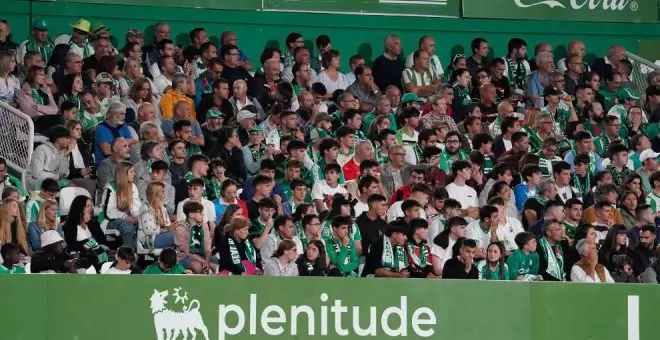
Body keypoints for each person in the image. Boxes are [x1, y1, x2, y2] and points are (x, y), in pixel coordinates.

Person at [98, 161, 140, 249]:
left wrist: (137, 217)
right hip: (108, 220)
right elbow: (108, 213)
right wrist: (125, 217)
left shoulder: (133, 187)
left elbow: (136, 207)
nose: (134, 174)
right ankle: (126, 256)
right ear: (124, 174)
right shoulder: (110, 188)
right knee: (128, 227)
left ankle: (139, 255)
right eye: (131, 172)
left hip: (125, 219)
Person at [62, 195, 110, 271]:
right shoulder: (69, 226)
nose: (91, 208)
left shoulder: (93, 223)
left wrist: (90, 222)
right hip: (81, 257)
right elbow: (71, 246)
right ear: (80, 208)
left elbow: (102, 241)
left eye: (91, 206)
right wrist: (88, 242)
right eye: (88, 206)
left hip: (97, 254)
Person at [26, 125, 70, 192]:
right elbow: (37, 174)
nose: (69, 140)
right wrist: (57, 176)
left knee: (72, 184)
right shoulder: (41, 149)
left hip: (52, 182)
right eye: (67, 138)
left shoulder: (63, 152)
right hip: (35, 182)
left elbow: (64, 174)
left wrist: (65, 157)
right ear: (60, 140)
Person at [175, 201, 213, 274]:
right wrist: (205, 262)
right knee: (197, 266)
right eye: (200, 212)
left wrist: (207, 261)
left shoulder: (204, 225)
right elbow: (188, 252)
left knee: (218, 262)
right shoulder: (180, 229)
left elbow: (208, 247)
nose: (203, 214)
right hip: (185, 257)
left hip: (202, 255)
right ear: (191, 215)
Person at [137, 182, 177, 252]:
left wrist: (174, 226)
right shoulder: (145, 208)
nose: (164, 194)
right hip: (149, 239)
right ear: (155, 194)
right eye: (162, 191)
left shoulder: (163, 208)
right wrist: (167, 229)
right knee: (177, 236)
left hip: (160, 236)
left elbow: (168, 225)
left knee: (181, 232)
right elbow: (148, 231)